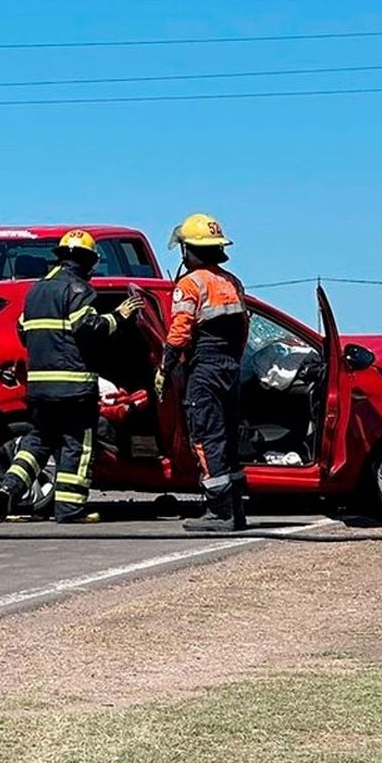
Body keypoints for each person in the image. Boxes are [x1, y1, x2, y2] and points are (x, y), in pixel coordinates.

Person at [0, 230, 141, 523]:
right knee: (77, 446)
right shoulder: (79, 289)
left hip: (40, 388)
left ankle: (9, 489)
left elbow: (23, 330)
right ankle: (70, 509)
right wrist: (120, 316)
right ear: (88, 262)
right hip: (73, 389)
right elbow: (90, 329)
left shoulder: (35, 291)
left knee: (36, 441)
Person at [156, 213, 250, 532]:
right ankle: (235, 509)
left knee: (206, 436)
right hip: (230, 366)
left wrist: (165, 368)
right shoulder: (232, 282)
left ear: (190, 250)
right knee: (227, 438)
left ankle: (220, 513)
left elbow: (179, 333)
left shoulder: (190, 284)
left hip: (205, 367)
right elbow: (243, 328)